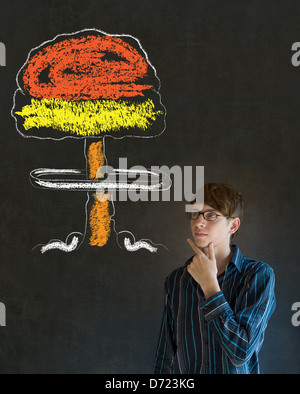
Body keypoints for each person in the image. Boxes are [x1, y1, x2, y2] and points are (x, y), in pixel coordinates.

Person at [153, 183, 275, 374]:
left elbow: (240, 352)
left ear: (233, 225)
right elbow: (165, 357)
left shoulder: (257, 275)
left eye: (211, 215)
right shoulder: (176, 280)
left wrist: (210, 286)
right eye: (194, 213)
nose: (198, 222)